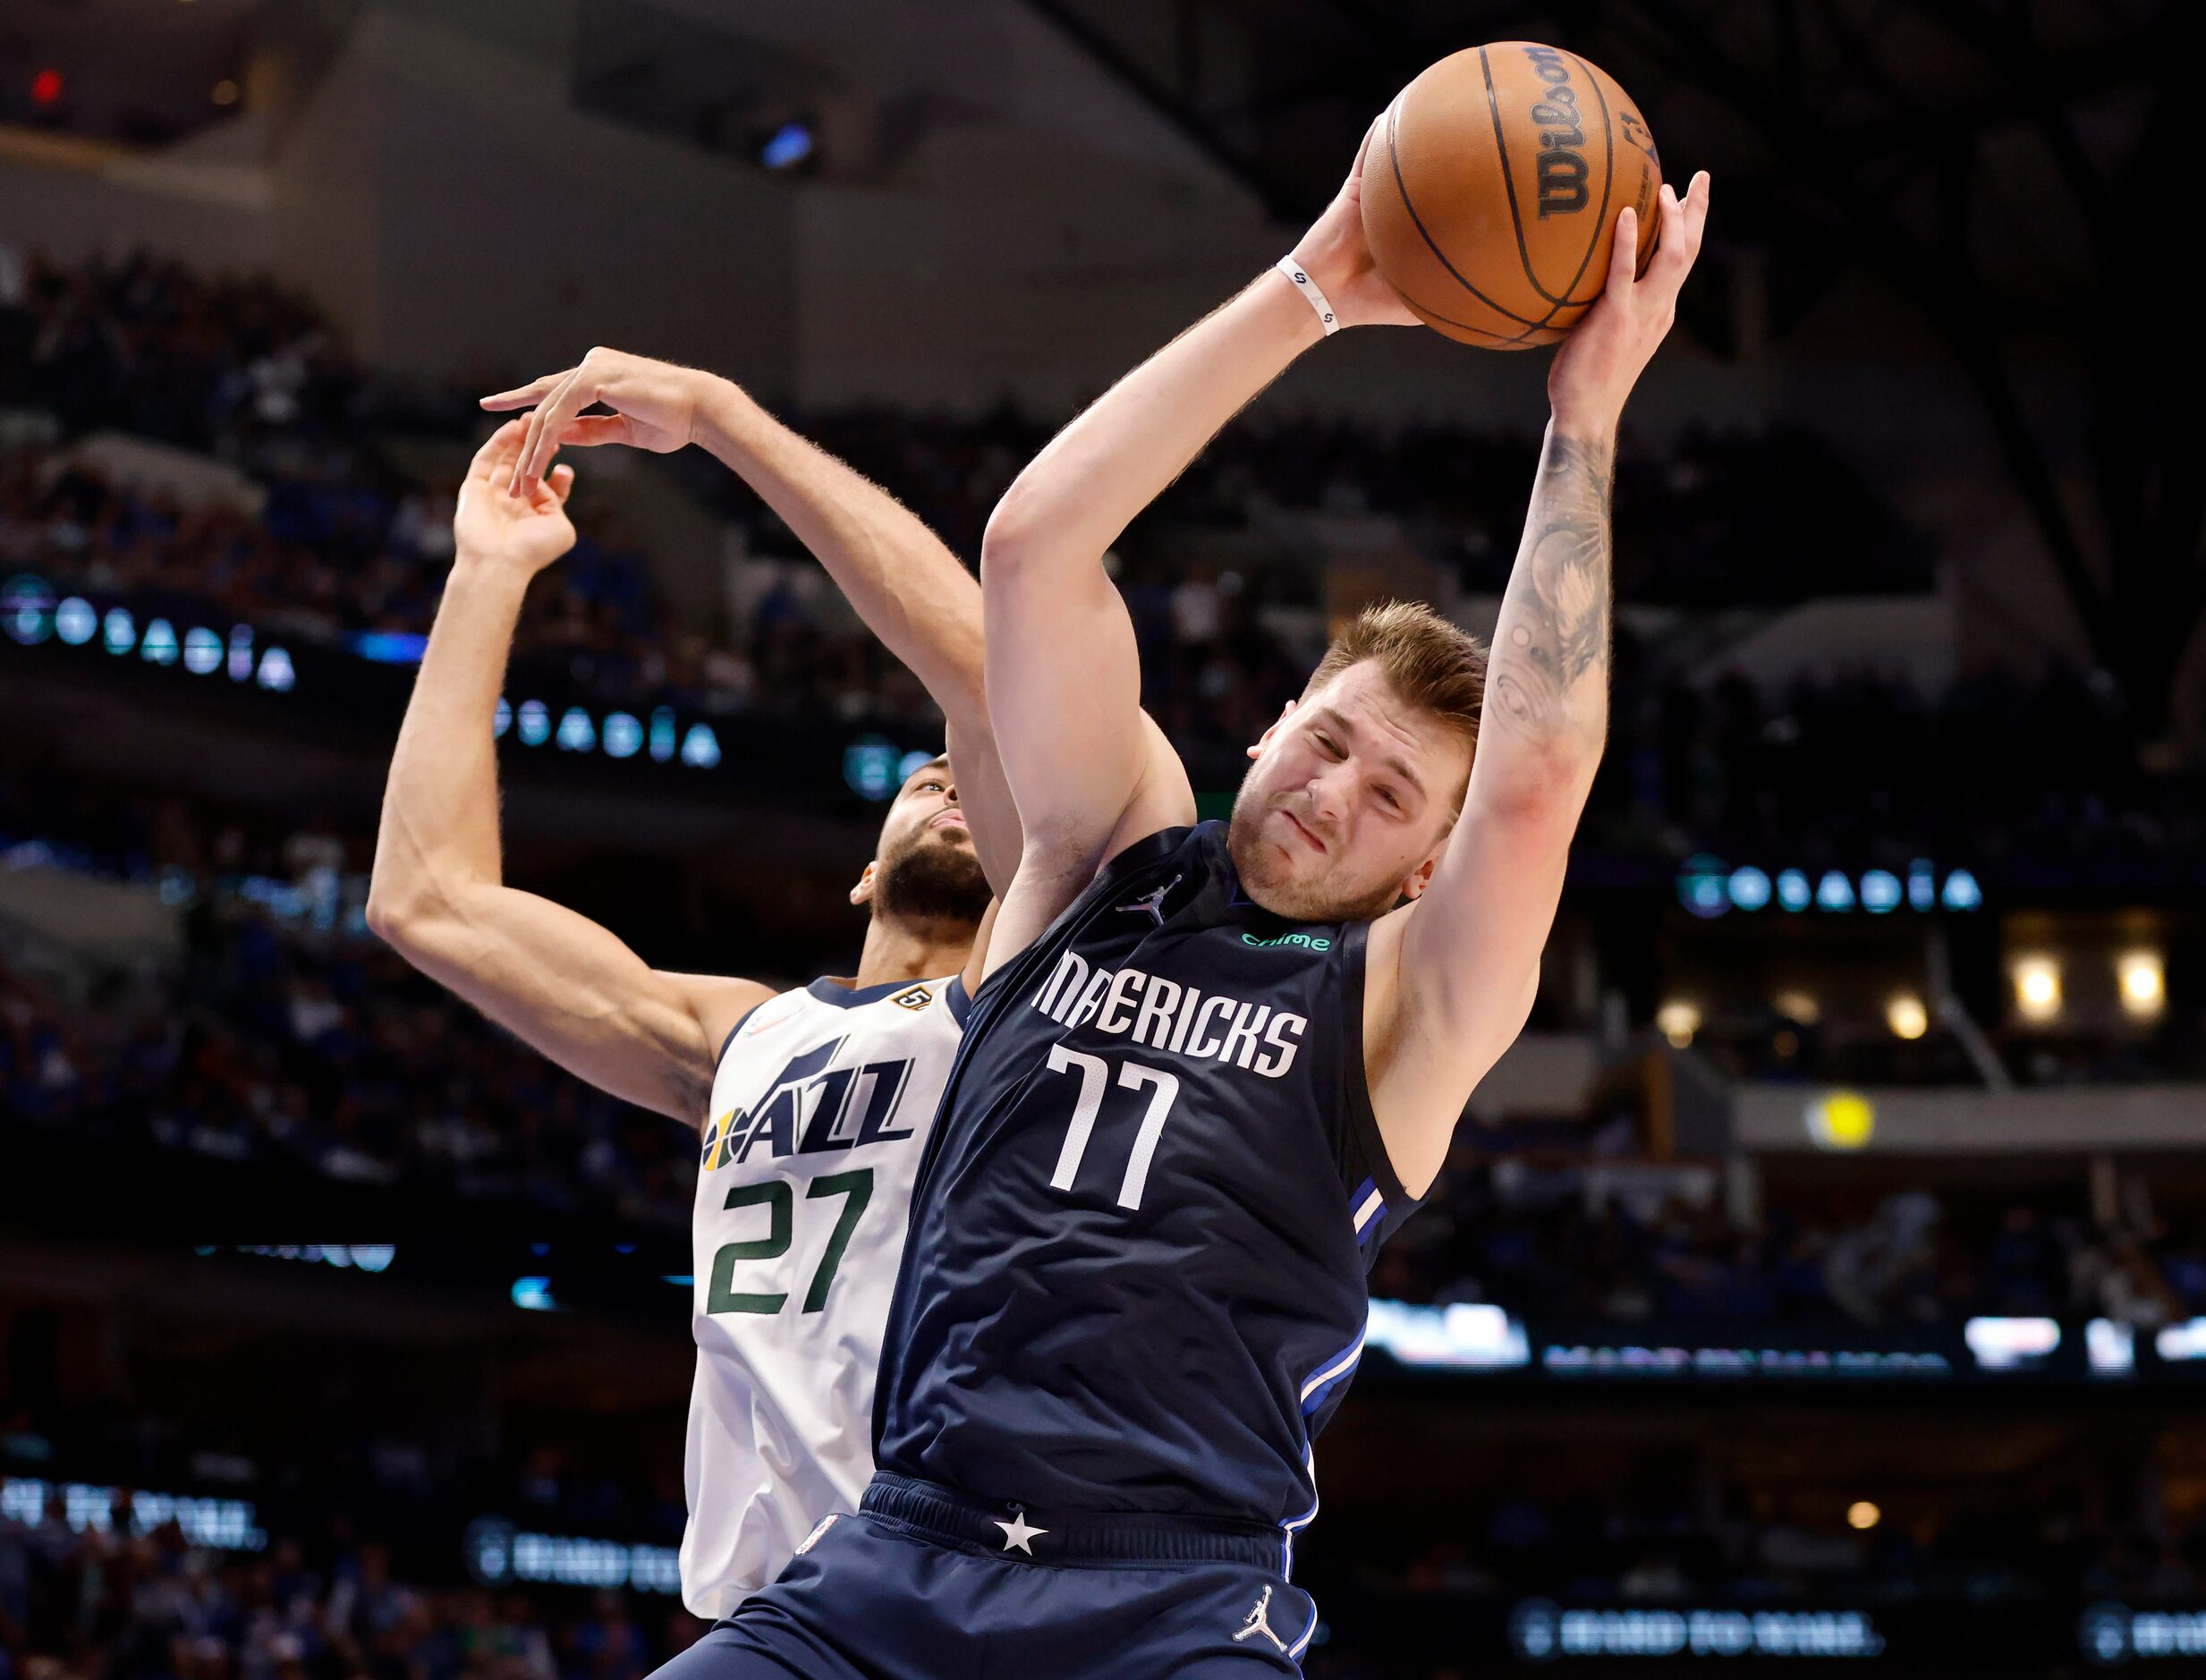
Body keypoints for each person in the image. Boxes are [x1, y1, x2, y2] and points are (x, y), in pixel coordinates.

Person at [670, 123, 1711, 1676]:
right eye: (1330, 737)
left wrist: (1585, 413)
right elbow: (1034, 546)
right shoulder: (1096, 855)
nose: (1331, 790)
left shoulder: (1400, 1012)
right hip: (901, 1554)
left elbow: (1542, 770)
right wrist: (1315, 285)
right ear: (1268, 721)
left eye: (1389, 797)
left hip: (1165, 1611)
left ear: (1429, 864)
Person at [366, 355, 1021, 1622]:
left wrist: (723, 423)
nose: (948, 779)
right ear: (857, 876)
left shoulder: (1043, 1002)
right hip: (769, 1615)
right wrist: (487, 570)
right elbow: (426, 899)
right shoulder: (743, 1033)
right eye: (920, 778)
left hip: (976, 1603)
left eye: (973, 776)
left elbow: (991, 679)